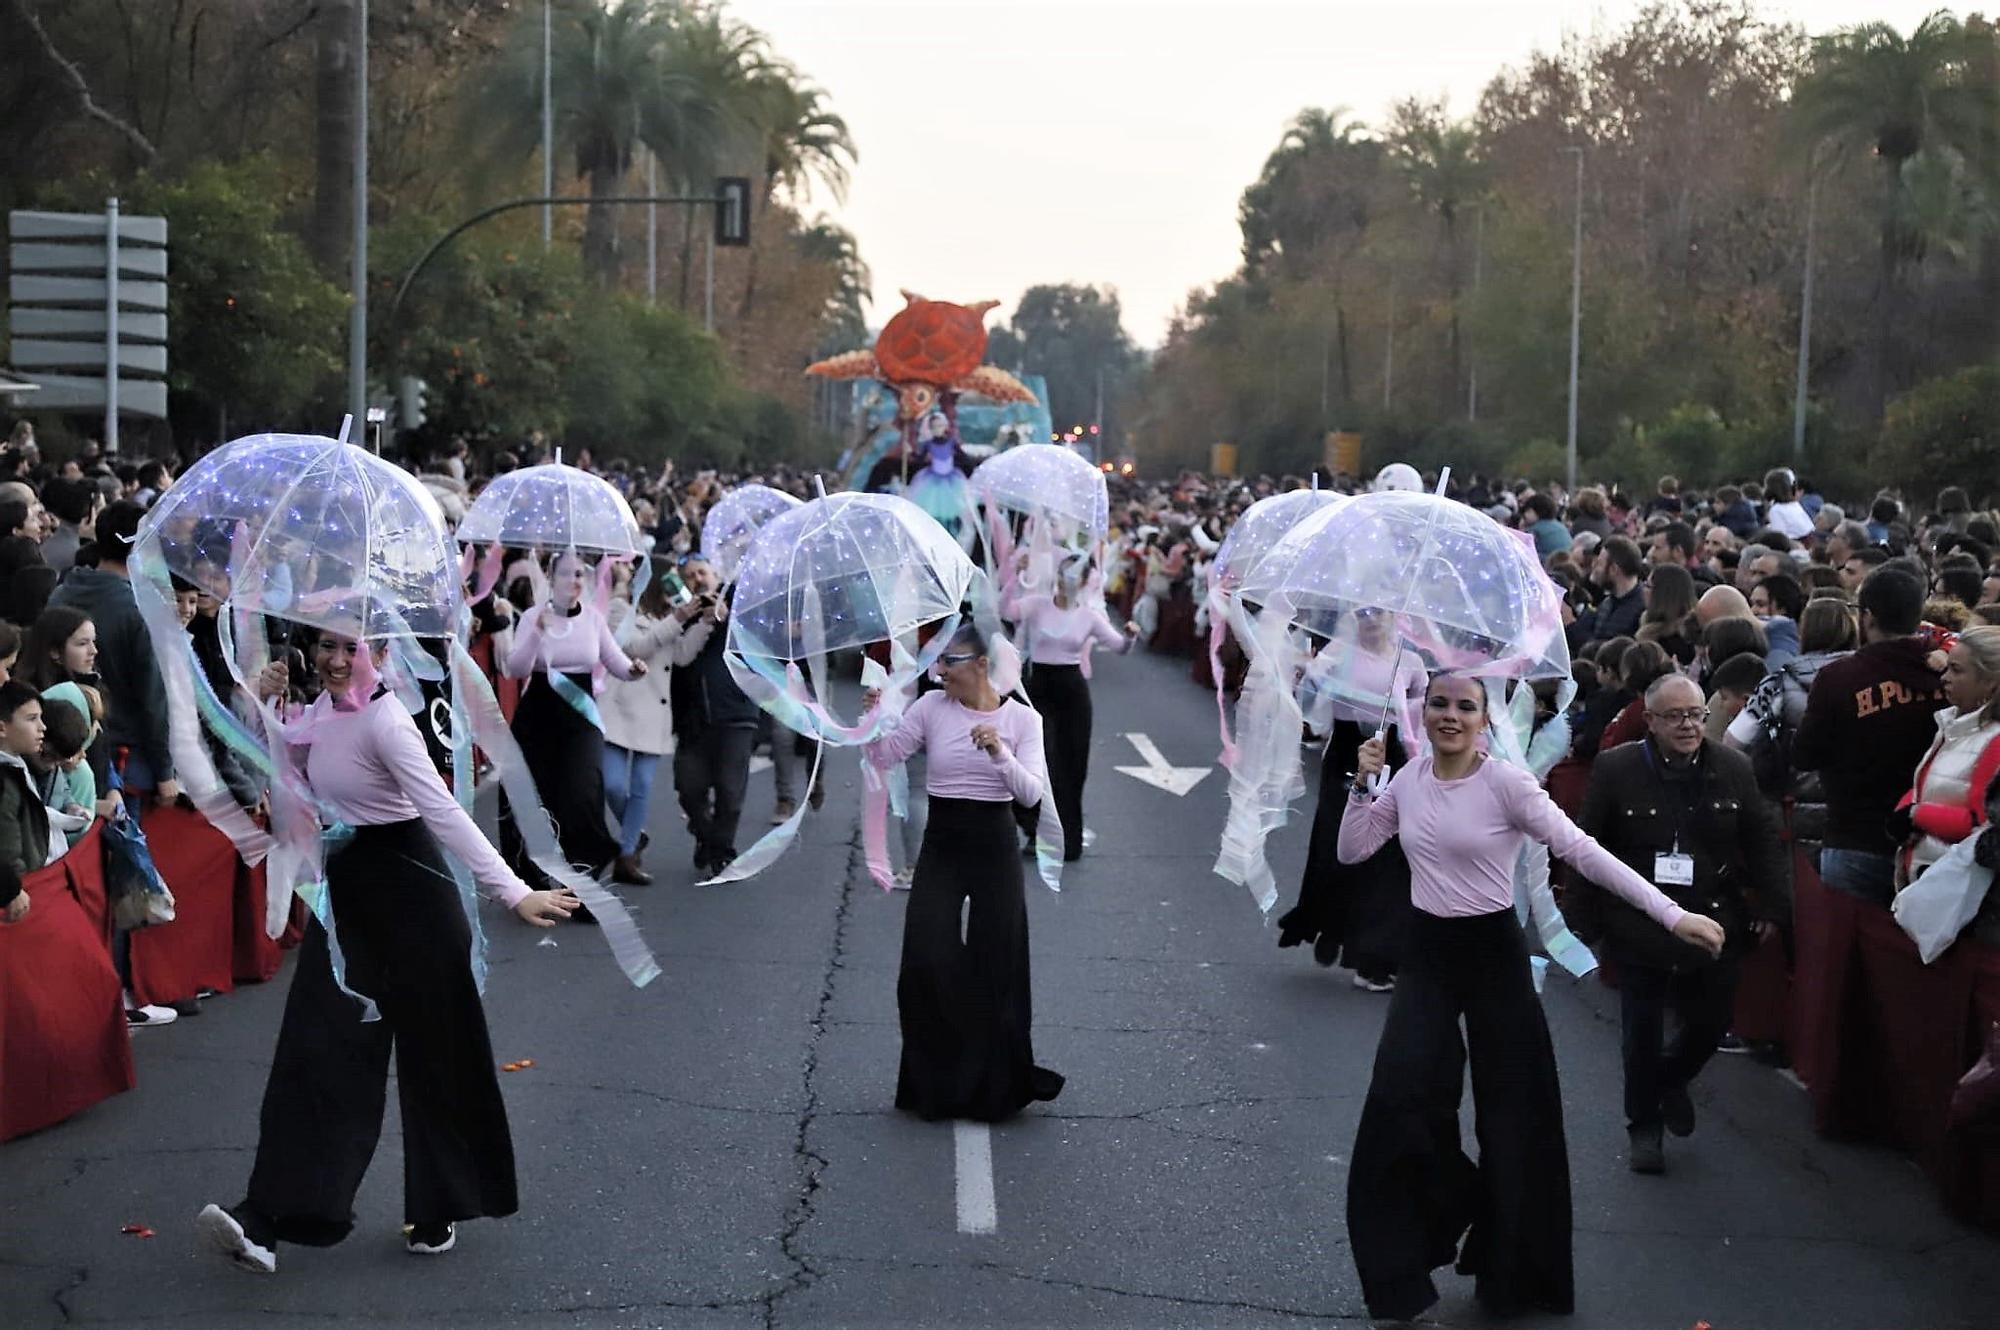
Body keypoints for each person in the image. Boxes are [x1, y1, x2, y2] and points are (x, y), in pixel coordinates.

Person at [1339, 674, 1724, 1321]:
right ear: (1423, 713)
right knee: (1399, 1100)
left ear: (1487, 719)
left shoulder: (1507, 786)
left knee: (1516, 1116)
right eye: (1439, 705)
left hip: (1494, 957)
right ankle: (1411, 1258)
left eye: (1465, 706)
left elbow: (1584, 852)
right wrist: (1362, 782)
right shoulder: (1407, 780)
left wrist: (1670, 914)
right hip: (1429, 956)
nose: (1451, 716)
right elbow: (1354, 849)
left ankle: (1514, 1272)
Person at [196, 630, 578, 1275]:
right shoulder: (315, 712)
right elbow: (286, 772)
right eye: (325, 647)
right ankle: (268, 1219)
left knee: (441, 1059)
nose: (337, 660)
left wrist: (513, 892)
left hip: (414, 893)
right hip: (350, 899)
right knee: (317, 1051)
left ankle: (440, 1206)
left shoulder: (387, 720)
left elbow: (445, 814)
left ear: (377, 653)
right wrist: (259, 706)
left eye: (352, 648)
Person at [1571, 674, 1787, 1172]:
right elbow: (1587, 845)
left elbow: (1760, 839)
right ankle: (1643, 1127)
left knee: (1710, 1023)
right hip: (1638, 920)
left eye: (1695, 715)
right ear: (1650, 721)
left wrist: (1774, 908)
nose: (1688, 725)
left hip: (1712, 917)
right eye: (1675, 716)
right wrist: (1581, 923)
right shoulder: (1616, 768)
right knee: (1640, 1031)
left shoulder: (1733, 767)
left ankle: (1671, 1078)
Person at [860, 624, 1063, 1121]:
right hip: (944, 843)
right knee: (926, 958)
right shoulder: (931, 707)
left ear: (980, 665)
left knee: (998, 962)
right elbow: (886, 757)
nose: (938, 671)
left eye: (948, 662)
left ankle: (992, 1086)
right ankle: (938, 1081)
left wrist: (999, 752)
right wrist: (873, 720)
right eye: (937, 663)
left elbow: (1031, 794)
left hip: (994, 842)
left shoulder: (1022, 720)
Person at [1276, 611, 1416, 991]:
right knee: (1336, 849)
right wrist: (1311, 678)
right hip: (1346, 756)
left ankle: (1372, 958)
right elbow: (1307, 703)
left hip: (1393, 757)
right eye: (1363, 612)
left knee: (1385, 857)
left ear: (1394, 616)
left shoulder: (1411, 660)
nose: (1370, 620)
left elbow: (1419, 714)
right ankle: (1330, 926)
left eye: (1379, 612)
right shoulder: (1339, 653)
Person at [1793, 566, 1947, 907]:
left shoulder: (1839, 678)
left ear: (1867, 617)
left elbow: (1804, 754)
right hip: (1931, 844)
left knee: (1847, 952)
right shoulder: (1948, 673)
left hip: (1856, 841)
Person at [499, 550, 646, 889]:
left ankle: (584, 881)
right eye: (565, 574)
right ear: (550, 578)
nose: (574, 581)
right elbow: (516, 668)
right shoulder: (533, 616)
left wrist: (634, 670)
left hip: (581, 717)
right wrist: (537, 631)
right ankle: (531, 883)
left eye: (579, 574)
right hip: (537, 714)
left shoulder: (593, 618)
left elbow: (616, 662)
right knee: (534, 797)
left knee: (582, 795)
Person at [1007, 550, 1139, 861]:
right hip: (1035, 686)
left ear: (1082, 581)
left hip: (1071, 693)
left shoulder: (1089, 616)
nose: (1065, 580)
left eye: (1073, 574)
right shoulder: (1037, 605)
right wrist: (1016, 574)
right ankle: (1032, 828)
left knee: (1070, 767)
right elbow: (1008, 610)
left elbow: (1119, 647)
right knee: (1030, 762)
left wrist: (1131, 636)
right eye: (1062, 573)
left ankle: (1066, 839)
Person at [48, 501, 179, 804]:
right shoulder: (139, 609)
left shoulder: (62, 591)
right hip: (124, 755)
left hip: (64, 745)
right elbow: (152, 696)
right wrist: (164, 771)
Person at [1890, 626, 2000, 891]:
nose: (1944, 678)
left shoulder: (1994, 740)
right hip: (1930, 876)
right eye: (1947, 667)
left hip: (1961, 891)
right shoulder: (1953, 724)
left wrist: (1917, 814)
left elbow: (1984, 825)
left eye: (1957, 670)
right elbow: (1929, 786)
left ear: (1991, 682)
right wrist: (1904, 812)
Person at [600, 558, 677, 885]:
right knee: (613, 784)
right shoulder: (620, 608)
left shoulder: (672, 615)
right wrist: (679, 620)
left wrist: (702, 620)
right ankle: (635, 831)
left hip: (655, 710)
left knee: (642, 785)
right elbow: (633, 647)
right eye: (671, 580)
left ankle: (627, 854)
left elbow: (684, 655)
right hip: (620, 705)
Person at [0, 680, 50, 877]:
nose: (42, 727)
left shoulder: (20, 765)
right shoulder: (5, 784)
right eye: (31, 719)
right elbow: (7, 852)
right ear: (2, 729)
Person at [1587, 537, 1645, 643]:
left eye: (1599, 563)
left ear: (1613, 569)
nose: (1593, 566)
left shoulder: (1641, 610)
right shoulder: (1606, 602)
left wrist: (1570, 623)